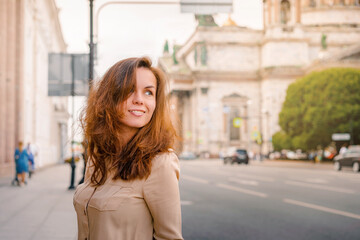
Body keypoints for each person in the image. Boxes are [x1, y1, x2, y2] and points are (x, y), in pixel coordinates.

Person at [73, 57, 183, 240]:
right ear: (110, 96)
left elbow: (170, 237)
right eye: (130, 90)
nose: (140, 100)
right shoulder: (97, 155)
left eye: (149, 93)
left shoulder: (159, 162)